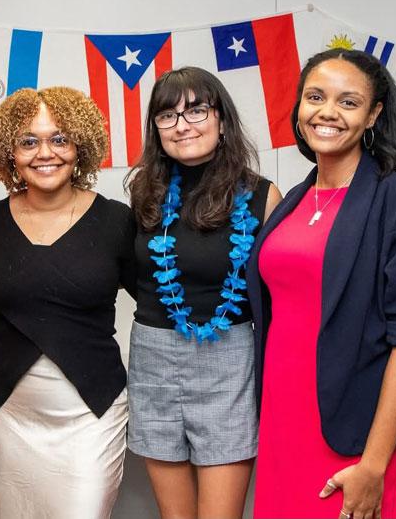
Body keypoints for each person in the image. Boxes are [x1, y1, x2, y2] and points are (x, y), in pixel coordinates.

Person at [248, 48, 396, 519]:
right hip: (281, 421)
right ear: (299, 106)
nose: (327, 112)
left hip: (355, 432)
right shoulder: (293, 201)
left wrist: (375, 464)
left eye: (348, 101)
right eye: (315, 97)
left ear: (373, 114)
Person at [0, 86, 135, 519]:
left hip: (91, 409)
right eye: (29, 141)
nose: (45, 152)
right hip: (10, 411)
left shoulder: (117, 220)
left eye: (59, 138)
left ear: (81, 146)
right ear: (11, 154)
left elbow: (159, 302)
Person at [125, 66, 282, 519]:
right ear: (155, 129)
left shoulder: (261, 196)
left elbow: (279, 293)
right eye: (167, 115)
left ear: (222, 120)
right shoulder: (144, 192)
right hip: (154, 357)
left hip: (228, 360)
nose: (183, 125)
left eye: (196, 110)